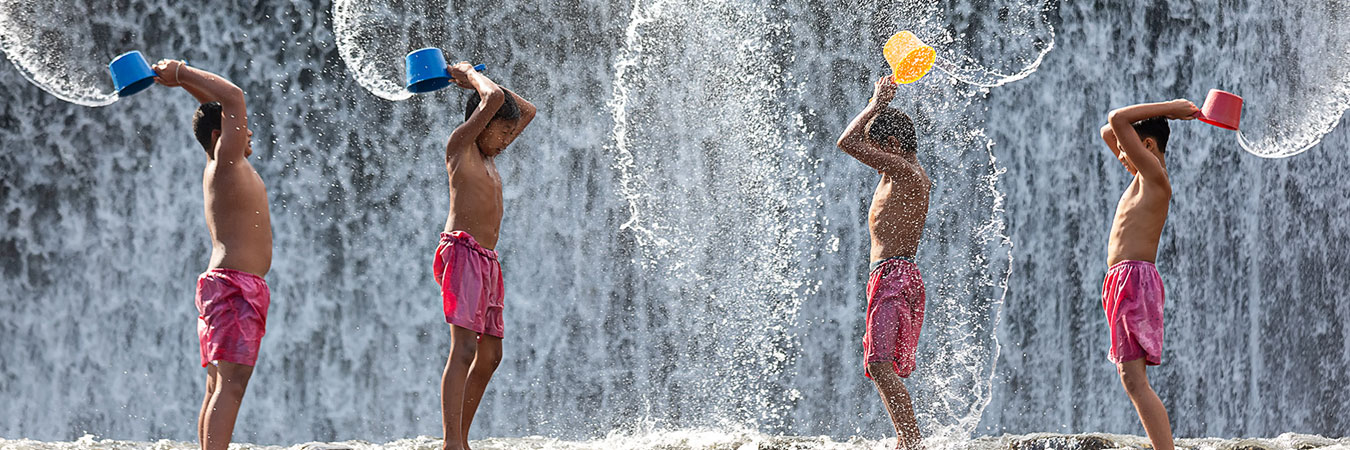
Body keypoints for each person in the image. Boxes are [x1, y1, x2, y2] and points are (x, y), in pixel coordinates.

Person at [151, 59, 271, 450]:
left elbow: (218, 106)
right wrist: (181, 71)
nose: (248, 130)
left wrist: (184, 86)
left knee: (218, 384)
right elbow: (233, 98)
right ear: (220, 136)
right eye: (239, 128)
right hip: (235, 288)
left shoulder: (223, 165)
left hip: (229, 286)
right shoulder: (226, 162)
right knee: (232, 385)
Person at [432, 62, 536, 450]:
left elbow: (528, 110)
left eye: (510, 134)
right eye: (502, 131)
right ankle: (451, 443)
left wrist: (485, 86)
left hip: (487, 261)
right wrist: (469, 77)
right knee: (464, 348)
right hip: (461, 251)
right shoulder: (460, 148)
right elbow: (491, 99)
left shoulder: (491, 158)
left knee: (491, 354)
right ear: (481, 121)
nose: (508, 139)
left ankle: (462, 437)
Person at [835, 75, 932, 450]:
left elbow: (847, 142)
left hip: (894, 276)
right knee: (881, 364)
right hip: (893, 275)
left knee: (878, 364)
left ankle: (910, 443)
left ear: (891, 146)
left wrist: (876, 104)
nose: (873, 161)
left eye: (877, 152)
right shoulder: (906, 173)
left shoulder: (905, 172)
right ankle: (908, 441)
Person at [1097, 99, 1199, 450]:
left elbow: (1116, 119)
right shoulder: (1144, 176)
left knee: (1134, 379)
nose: (1120, 156)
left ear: (1148, 146)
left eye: (1128, 151)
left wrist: (1169, 109)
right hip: (1122, 281)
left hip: (1134, 280)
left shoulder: (1155, 177)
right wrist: (1146, 127)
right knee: (1131, 378)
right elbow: (1110, 131)